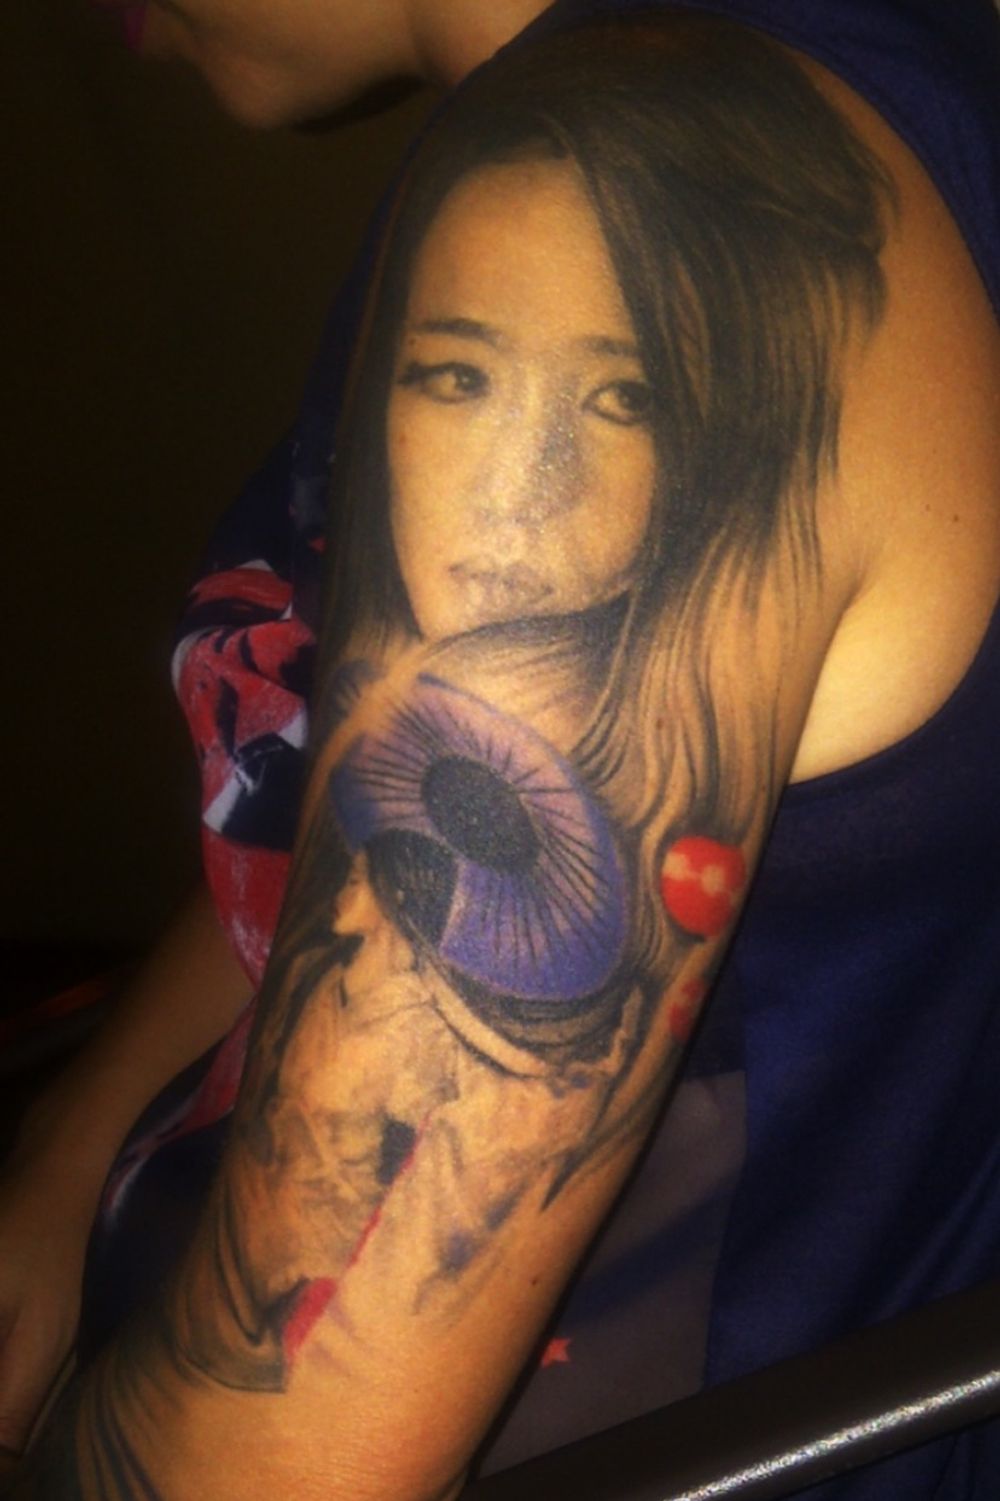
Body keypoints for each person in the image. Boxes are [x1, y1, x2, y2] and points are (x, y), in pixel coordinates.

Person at [1, 0, 998, 1497]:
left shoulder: (623, 188)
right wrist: (77, 1139)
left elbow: (270, 1466)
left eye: (621, 403)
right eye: (454, 380)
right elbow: (345, 825)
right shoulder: (697, 103)